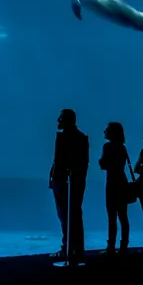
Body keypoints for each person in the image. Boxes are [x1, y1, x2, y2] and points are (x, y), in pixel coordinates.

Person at [49, 109, 89, 261]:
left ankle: (68, 248)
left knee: (66, 215)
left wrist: (57, 177)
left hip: (65, 181)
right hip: (73, 182)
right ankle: (75, 248)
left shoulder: (66, 137)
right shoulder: (81, 138)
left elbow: (60, 161)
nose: (58, 122)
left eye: (60, 119)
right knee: (74, 215)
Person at [98, 122, 132, 255]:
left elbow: (103, 165)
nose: (104, 131)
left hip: (112, 183)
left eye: (107, 129)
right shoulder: (122, 147)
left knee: (112, 216)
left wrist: (101, 161)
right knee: (123, 216)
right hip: (122, 182)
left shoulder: (107, 146)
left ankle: (111, 246)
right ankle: (124, 245)